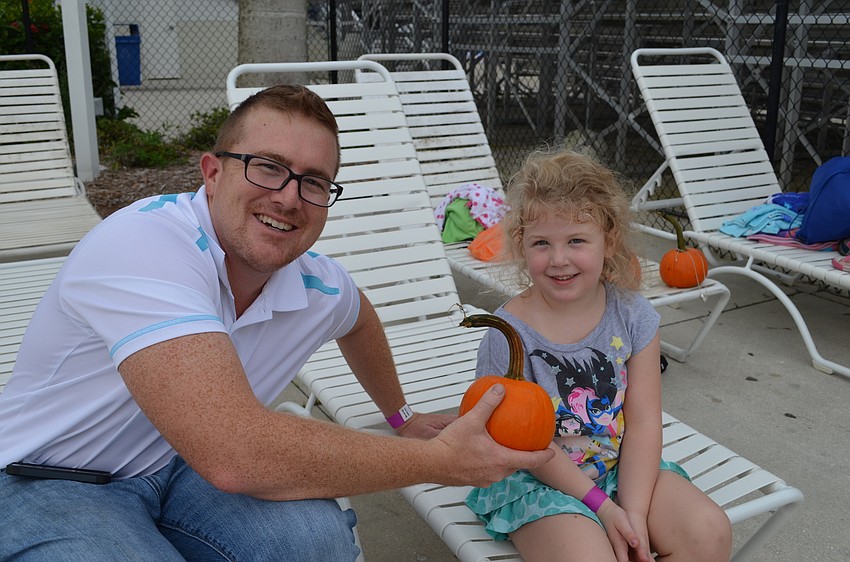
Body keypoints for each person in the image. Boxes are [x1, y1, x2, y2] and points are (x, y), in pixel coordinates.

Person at [0, 84, 554, 560]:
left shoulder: (313, 280)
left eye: (313, 181)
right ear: (213, 173)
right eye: (267, 167)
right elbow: (236, 453)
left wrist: (403, 416)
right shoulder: (143, 247)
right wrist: (438, 461)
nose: (288, 197)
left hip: (177, 466)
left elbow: (360, 320)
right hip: (46, 479)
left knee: (313, 544)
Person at [465, 148, 732, 562]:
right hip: (537, 478)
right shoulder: (509, 336)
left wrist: (635, 514)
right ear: (521, 245)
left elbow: (643, 423)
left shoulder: (634, 316)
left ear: (608, 241)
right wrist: (604, 509)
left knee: (708, 532)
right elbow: (522, 447)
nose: (559, 259)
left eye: (576, 240)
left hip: (621, 466)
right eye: (541, 243)